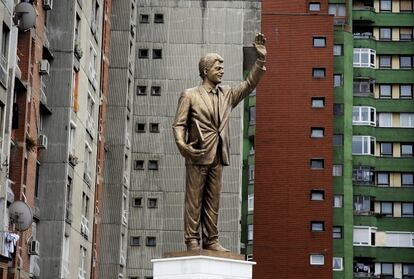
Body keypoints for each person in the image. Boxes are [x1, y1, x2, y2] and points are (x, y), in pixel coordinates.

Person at [172, 33, 267, 251]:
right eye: (218, 66)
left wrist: (260, 60)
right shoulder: (190, 95)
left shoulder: (226, 94)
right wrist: (183, 146)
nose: (222, 70)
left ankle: (211, 240)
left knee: (213, 201)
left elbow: (249, 84)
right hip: (196, 152)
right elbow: (178, 125)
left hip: (218, 154)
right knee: (194, 200)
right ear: (206, 71)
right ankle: (192, 240)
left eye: (222, 66)